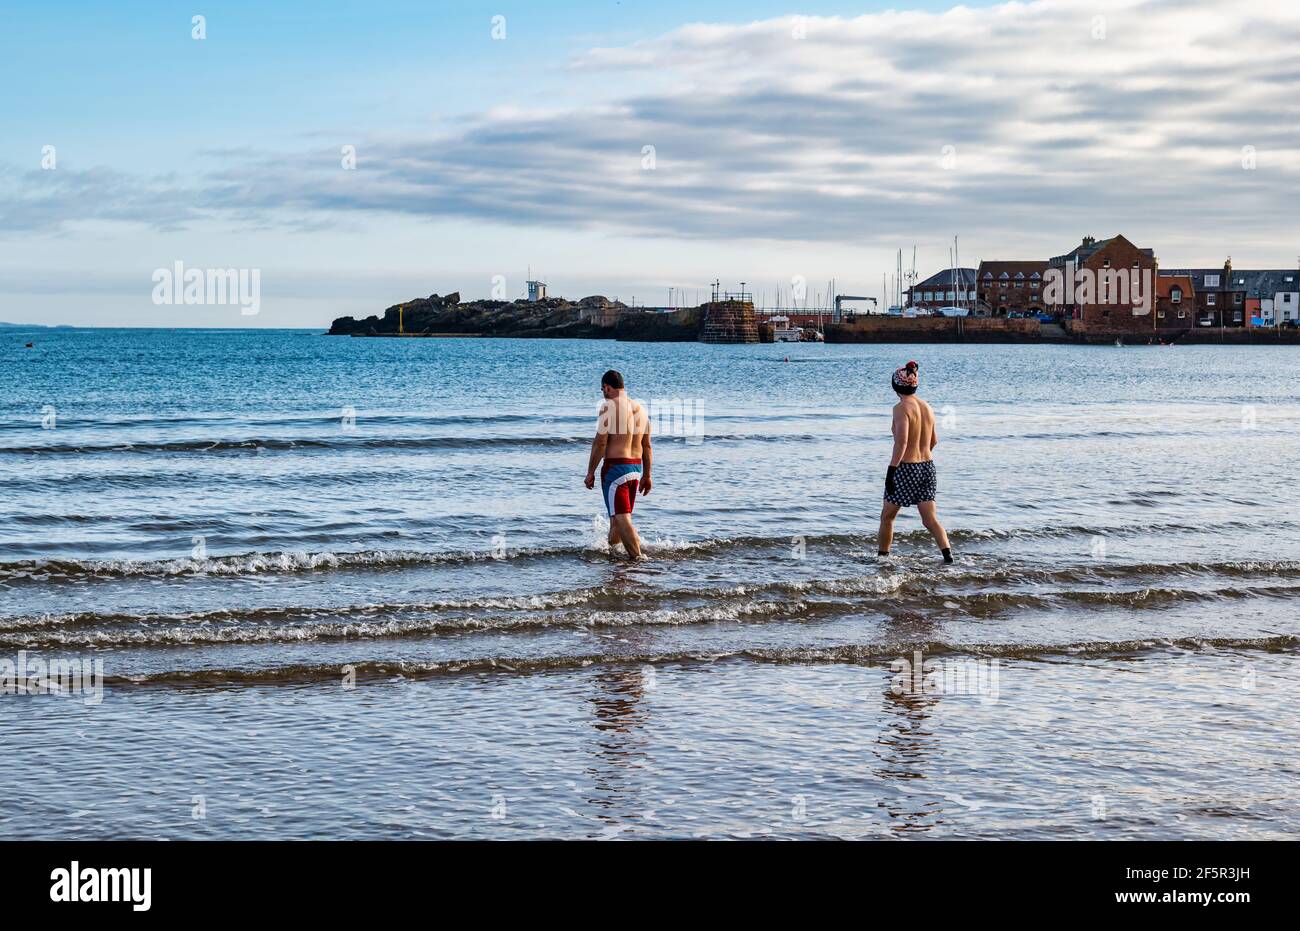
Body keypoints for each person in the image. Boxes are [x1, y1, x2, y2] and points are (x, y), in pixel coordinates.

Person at [878, 360, 952, 563]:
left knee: (887, 517)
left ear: (895, 386)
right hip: (927, 467)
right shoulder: (927, 407)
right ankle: (948, 557)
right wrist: (921, 457)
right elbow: (934, 440)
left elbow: (901, 444)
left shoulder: (901, 408)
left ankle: (882, 560)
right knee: (930, 520)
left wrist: (891, 472)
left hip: (906, 468)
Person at [584, 370, 652, 559]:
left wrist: (590, 472)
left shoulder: (609, 406)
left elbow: (601, 442)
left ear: (607, 387)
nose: (602, 393)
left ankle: (638, 558)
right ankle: (614, 556)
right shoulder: (641, 409)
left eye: (602, 389)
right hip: (636, 469)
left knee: (622, 518)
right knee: (616, 519)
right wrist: (647, 475)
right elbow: (647, 445)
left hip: (616, 470)